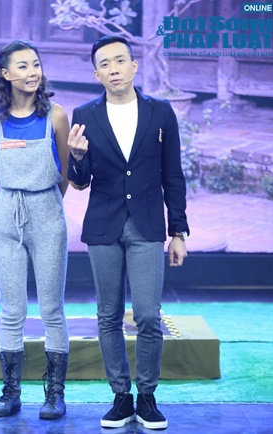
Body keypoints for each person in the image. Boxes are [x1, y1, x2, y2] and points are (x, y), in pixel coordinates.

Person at [67, 36, 189, 430]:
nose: (114, 68)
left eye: (120, 60)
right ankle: (121, 396)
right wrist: (77, 157)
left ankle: (147, 397)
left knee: (149, 315)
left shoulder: (160, 111)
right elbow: (80, 182)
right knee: (109, 315)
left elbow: (173, 175)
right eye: (105, 63)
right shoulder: (85, 114)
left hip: (148, 225)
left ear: (134, 66)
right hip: (103, 225)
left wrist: (178, 231)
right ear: (96, 74)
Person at [0, 40, 71, 420]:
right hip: (6, 217)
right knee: (12, 309)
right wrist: (9, 204)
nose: (32, 72)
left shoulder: (57, 117)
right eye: (22, 66)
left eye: (35, 64)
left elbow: (65, 173)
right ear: (5, 74)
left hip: (47, 213)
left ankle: (54, 394)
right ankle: (11, 392)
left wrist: (42, 203)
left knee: (52, 308)